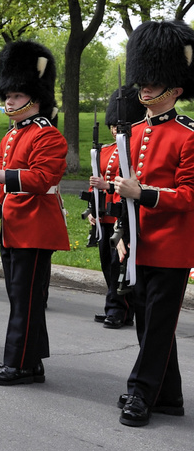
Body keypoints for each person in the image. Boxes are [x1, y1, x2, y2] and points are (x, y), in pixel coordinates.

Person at [113, 19, 194, 427]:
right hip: (139, 244)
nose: (145, 89)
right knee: (148, 322)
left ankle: (141, 393)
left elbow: (189, 196)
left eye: (155, 82)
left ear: (175, 89)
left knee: (158, 324)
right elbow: (124, 192)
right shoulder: (133, 132)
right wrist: (122, 234)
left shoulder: (188, 135)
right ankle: (169, 396)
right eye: (143, 81)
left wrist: (144, 193)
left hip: (172, 247)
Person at [0, 40, 69, 385]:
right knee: (21, 298)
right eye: (8, 96)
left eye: (16, 96)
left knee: (25, 299)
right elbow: (10, 186)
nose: (9, 101)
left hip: (35, 226)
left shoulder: (48, 135)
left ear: (35, 97)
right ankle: (32, 361)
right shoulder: (12, 136)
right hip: (15, 225)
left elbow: (43, 179)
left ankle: (17, 363)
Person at [86, 87, 144, 328]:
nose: (113, 129)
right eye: (111, 125)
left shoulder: (133, 150)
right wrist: (92, 209)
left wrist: (108, 186)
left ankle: (120, 309)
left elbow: (131, 183)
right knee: (106, 263)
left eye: (117, 125)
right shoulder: (107, 150)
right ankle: (115, 307)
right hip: (104, 215)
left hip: (122, 213)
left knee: (118, 263)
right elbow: (95, 181)